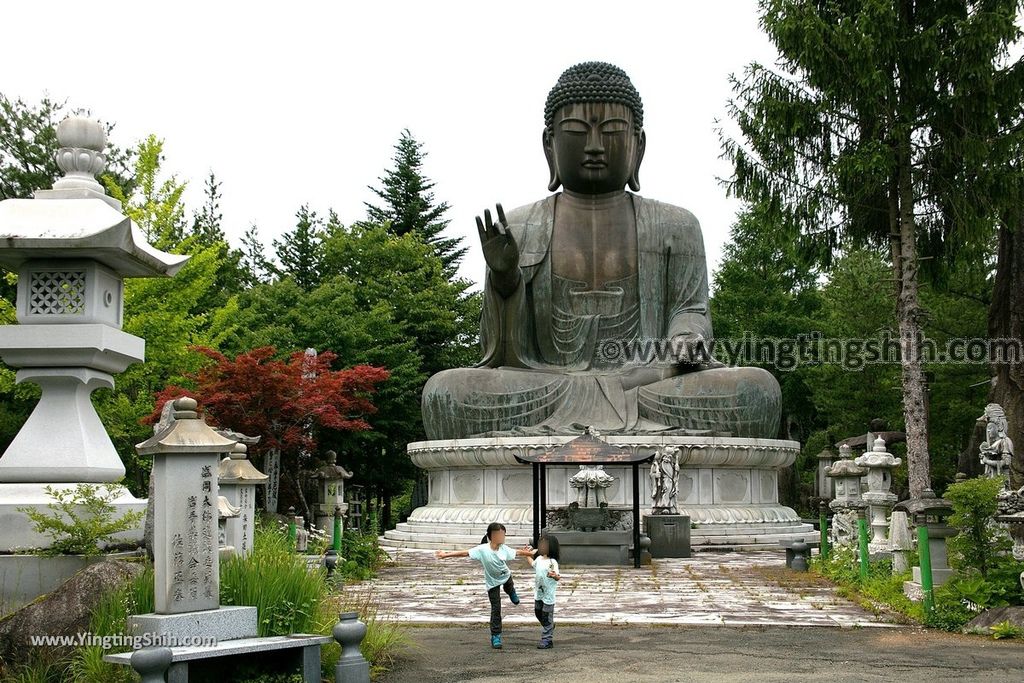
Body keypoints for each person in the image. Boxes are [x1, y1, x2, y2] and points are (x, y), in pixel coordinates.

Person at [422, 61, 781, 440]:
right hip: (550, 386)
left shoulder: (676, 225)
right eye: (577, 132)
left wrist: (685, 341)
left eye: (611, 131)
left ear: (637, 145)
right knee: (446, 392)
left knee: (756, 390)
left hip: (643, 382)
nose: (594, 146)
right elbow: (505, 356)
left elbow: (690, 310)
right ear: (550, 145)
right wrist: (505, 279)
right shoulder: (520, 227)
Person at [436, 522, 534, 648]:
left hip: (505, 576)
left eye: (503, 535)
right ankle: (496, 635)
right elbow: (464, 553)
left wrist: (534, 554)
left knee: (509, 586)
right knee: (496, 608)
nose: (502, 537)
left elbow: (519, 553)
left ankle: (511, 592)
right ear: (491, 536)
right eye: (499, 534)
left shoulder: (505, 549)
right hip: (492, 582)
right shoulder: (482, 550)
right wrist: (445, 555)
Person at [526, 534, 561, 649]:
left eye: (544, 545)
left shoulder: (552, 562)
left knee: (546, 615)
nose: (541, 547)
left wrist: (554, 576)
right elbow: (532, 564)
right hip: (539, 593)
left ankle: (547, 639)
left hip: (548, 595)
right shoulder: (539, 559)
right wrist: (526, 554)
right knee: (537, 611)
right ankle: (550, 625)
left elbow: (557, 577)